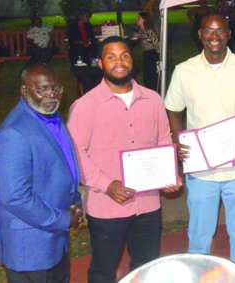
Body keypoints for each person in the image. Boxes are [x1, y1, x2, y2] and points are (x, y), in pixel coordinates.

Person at [67, 36, 180, 283]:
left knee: (146, 268)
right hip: (107, 206)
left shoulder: (152, 100)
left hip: (148, 204)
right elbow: (76, 153)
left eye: (125, 55)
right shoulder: (84, 106)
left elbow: (163, 139)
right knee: (103, 272)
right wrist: (107, 184)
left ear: (132, 59)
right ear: (100, 63)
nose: (119, 62)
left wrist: (170, 175)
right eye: (111, 57)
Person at [164, 14, 235, 277]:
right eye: (209, 31)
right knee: (199, 237)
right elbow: (173, 110)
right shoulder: (184, 70)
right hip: (201, 170)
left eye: (220, 31)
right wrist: (178, 139)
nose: (215, 36)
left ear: (229, 34)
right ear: (200, 34)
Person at [0, 64, 83, 283]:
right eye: (42, 89)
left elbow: (62, 168)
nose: (51, 95)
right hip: (31, 249)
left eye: (55, 89)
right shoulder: (14, 133)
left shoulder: (52, 118)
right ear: (25, 92)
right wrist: (65, 219)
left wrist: (75, 202)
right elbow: (15, 197)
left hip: (55, 241)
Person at [131, 12, 160, 91]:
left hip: (152, 55)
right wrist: (138, 36)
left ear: (144, 20)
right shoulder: (141, 31)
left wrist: (158, 58)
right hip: (146, 55)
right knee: (146, 76)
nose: (137, 20)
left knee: (152, 77)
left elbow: (157, 44)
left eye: (139, 18)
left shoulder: (149, 31)